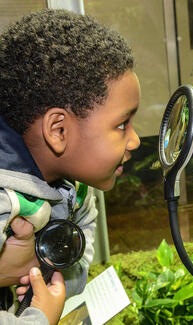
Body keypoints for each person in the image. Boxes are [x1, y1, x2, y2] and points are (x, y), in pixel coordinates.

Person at [0, 8, 140, 325]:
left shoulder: (74, 189)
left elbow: (78, 261)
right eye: (122, 125)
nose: (134, 141)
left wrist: (38, 262)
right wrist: (38, 319)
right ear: (59, 131)